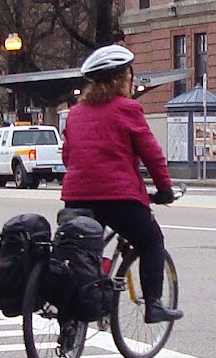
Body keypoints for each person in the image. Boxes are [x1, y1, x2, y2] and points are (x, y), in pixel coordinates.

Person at [61, 44, 183, 324]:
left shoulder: (76, 113)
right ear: (121, 78)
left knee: (80, 251)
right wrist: (164, 190)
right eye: (129, 74)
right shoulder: (127, 108)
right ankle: (154, 305)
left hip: (77, 196)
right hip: (118, 197)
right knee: (152, 240)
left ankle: (72, 315)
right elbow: (151, 153)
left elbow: (69, 156)